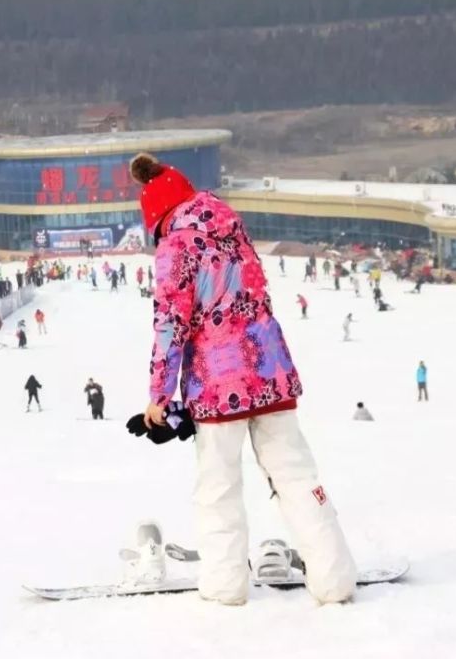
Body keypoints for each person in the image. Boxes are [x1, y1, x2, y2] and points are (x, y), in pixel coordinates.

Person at [131, 152, 356, 607]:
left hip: (218, 385)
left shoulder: (175, 246)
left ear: (157, 215)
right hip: (271, 373)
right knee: (295, 476)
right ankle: (334, 580)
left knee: (219, 486)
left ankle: (225, 585)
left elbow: (171, 322)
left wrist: (160, 396)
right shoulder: (234, 230)